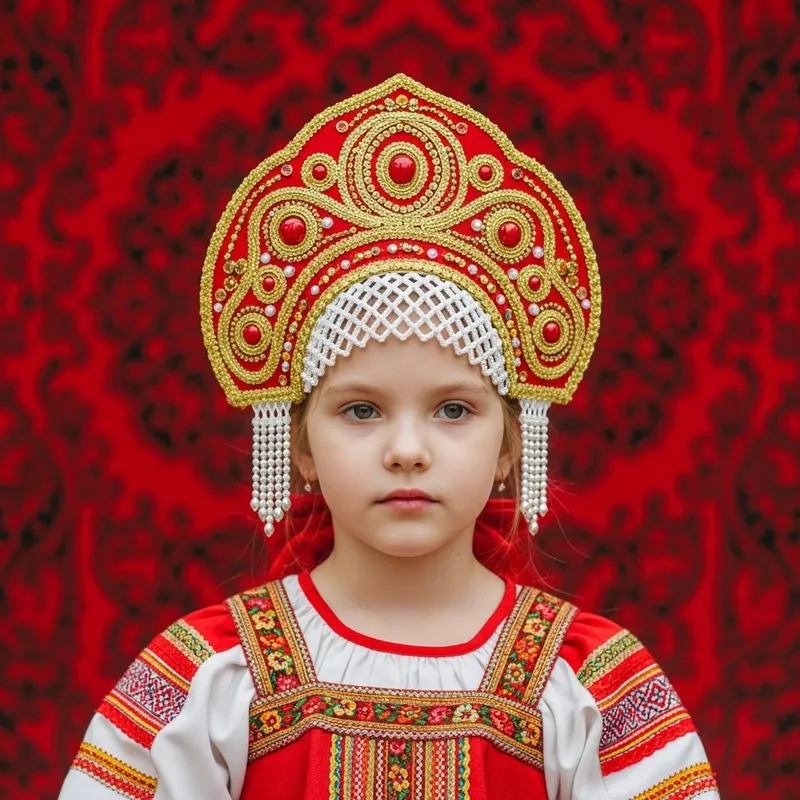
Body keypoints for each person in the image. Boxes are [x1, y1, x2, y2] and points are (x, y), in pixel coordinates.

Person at [59, 74, 719, 799]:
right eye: (362, 411)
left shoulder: (593, 687)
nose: (407, 449)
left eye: (454, 411)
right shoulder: (208, 680)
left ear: (510, 443)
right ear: (300, 443)